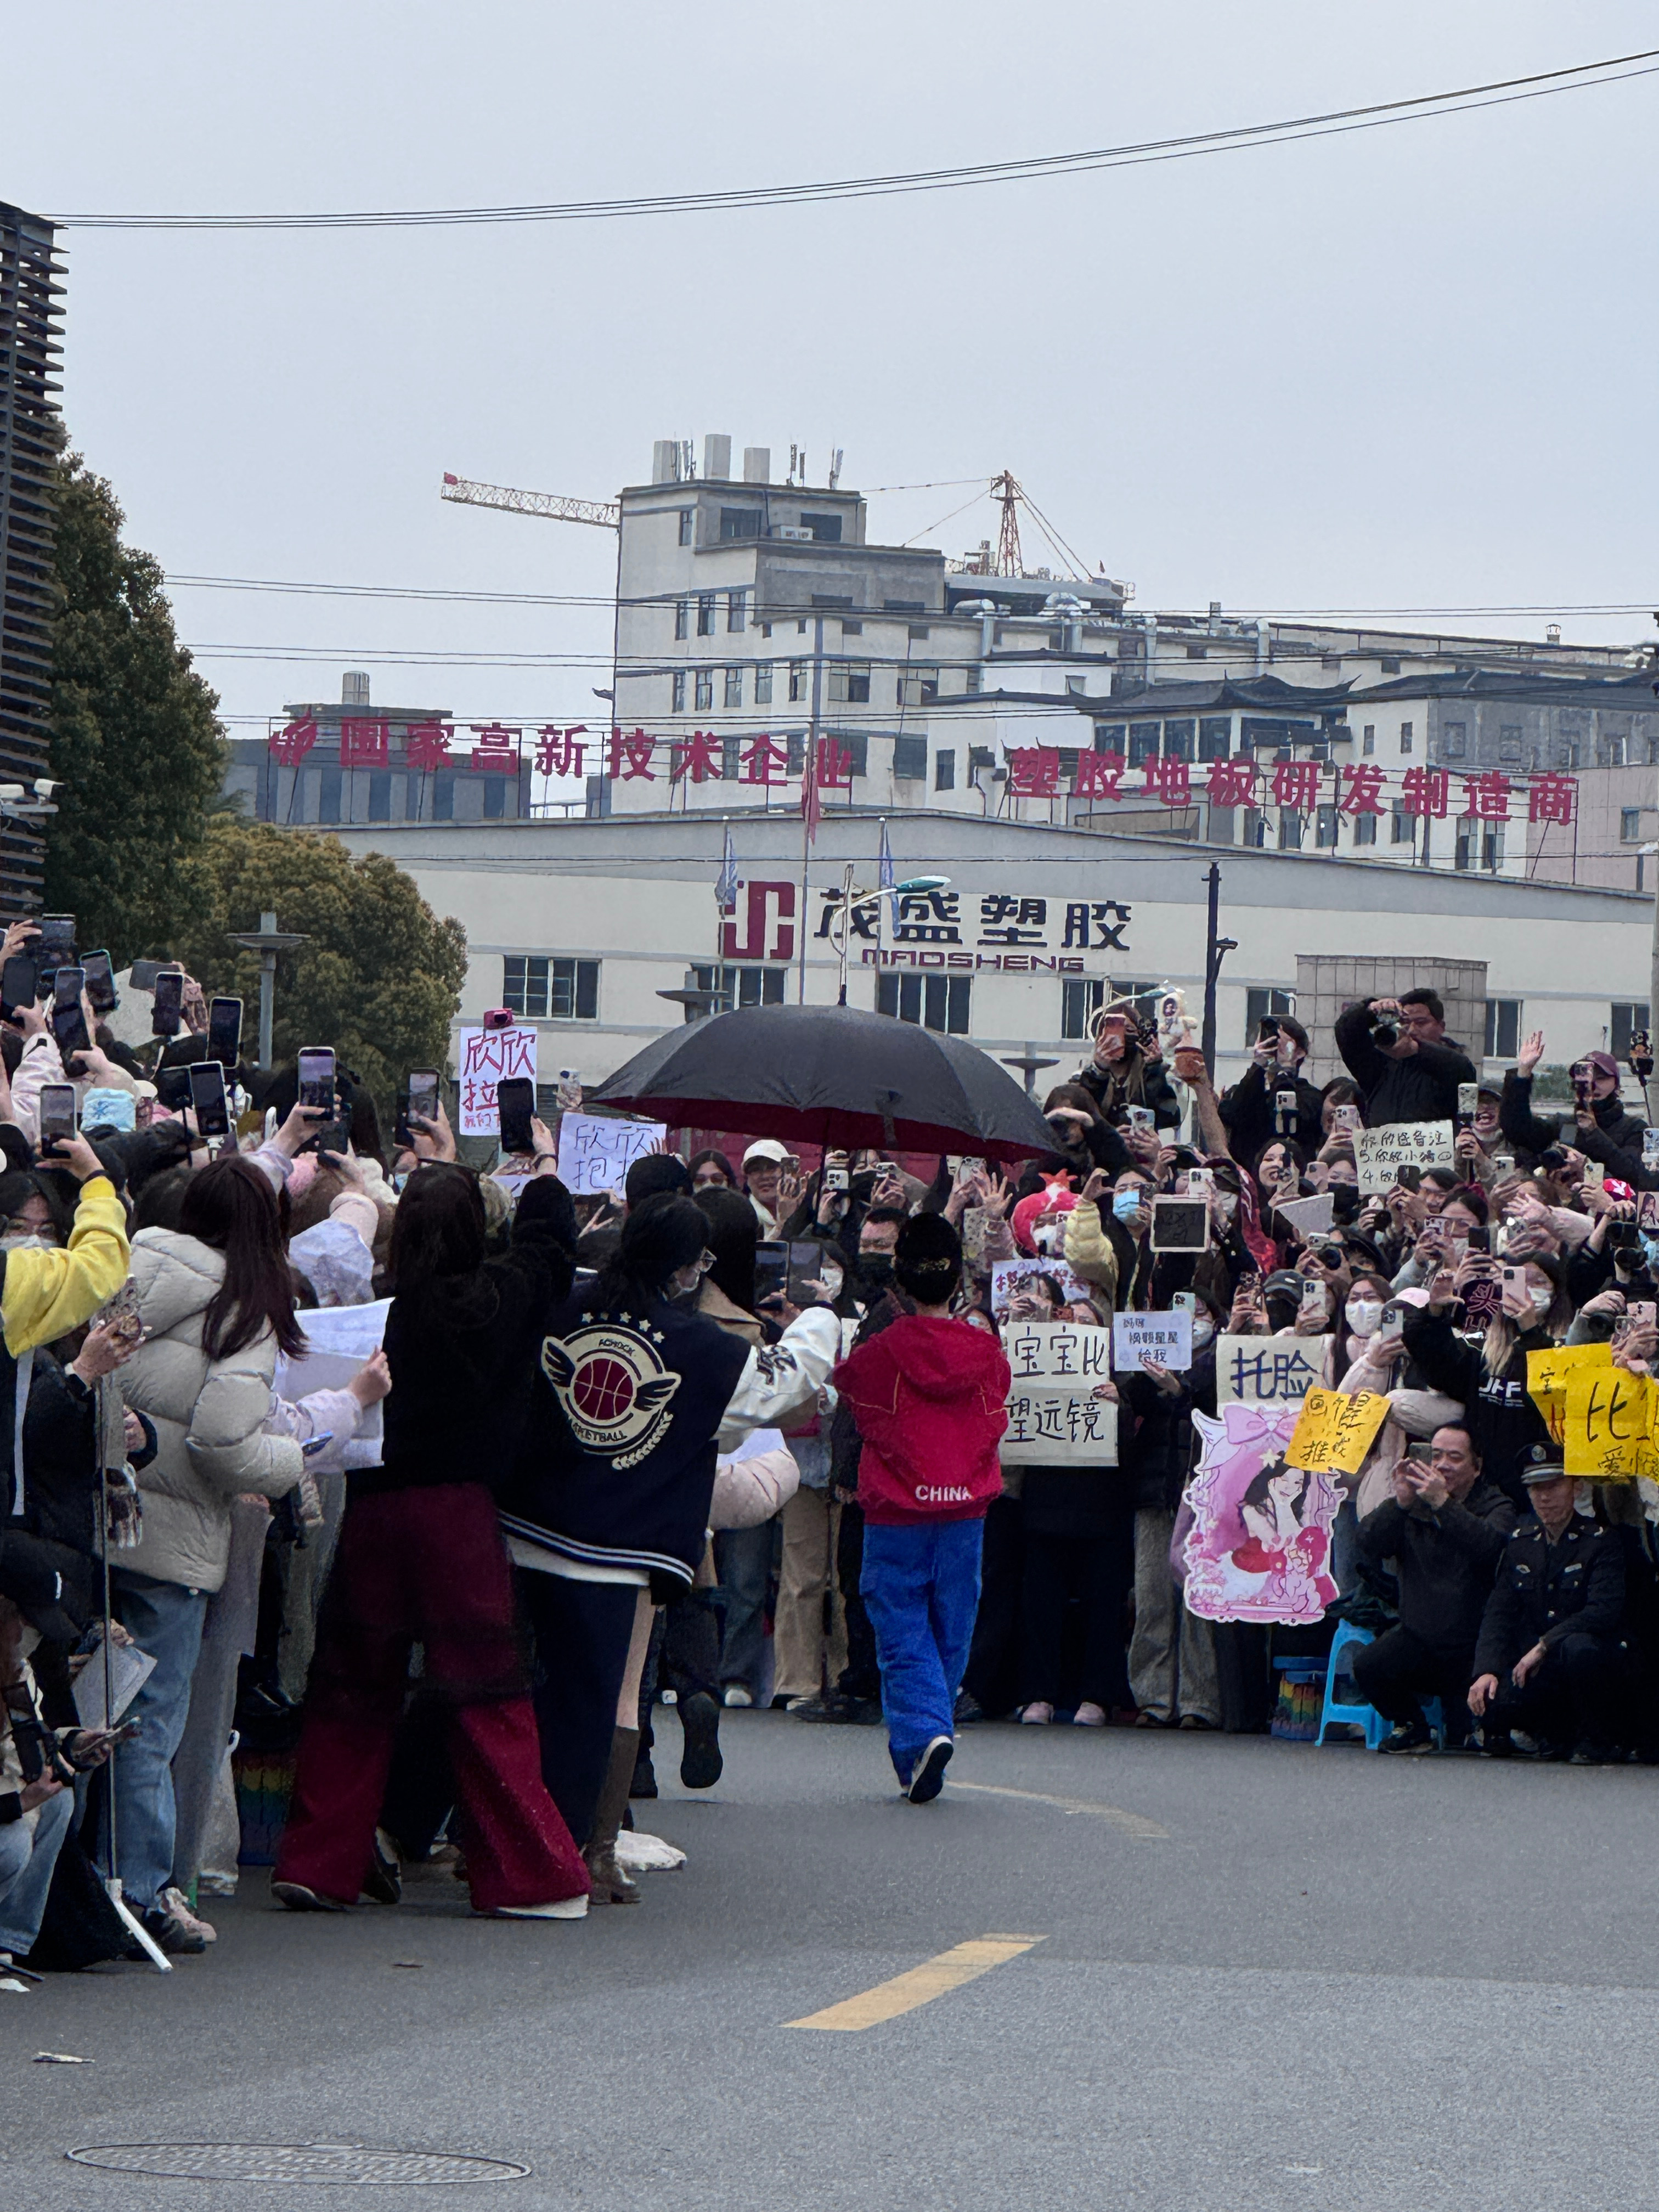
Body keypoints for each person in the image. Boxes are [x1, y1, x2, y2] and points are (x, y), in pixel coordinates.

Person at [274, 1160, 592, 1920]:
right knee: (486, 1693)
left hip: (376, 1509)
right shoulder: (504, 1296)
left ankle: (318, 1862)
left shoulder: (373, 1310)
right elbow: (551, 1246)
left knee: (351, 1688)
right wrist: (544, 1170)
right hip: (459, 1517)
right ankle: (529, 1875)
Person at [501, 1194, 838, 1898]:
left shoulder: (560, 1304)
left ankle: (496, 1838)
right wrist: (821, 1319)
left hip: (525, 1530)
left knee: (518, 1693)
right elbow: (780, 1386)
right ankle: (562, 1856)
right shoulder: (697, 1342)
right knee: (593, 1705)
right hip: (619, 1550)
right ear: (686, 1269)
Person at [109, 1155, 312, 1953]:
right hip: (174, 1546)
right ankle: (140, 1891)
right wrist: (291, 1461)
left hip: (95, 1524)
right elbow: (224, 1442)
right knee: (149, 1722)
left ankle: (79, 1888)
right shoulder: (245, 1310)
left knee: (85, 1707)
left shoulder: (128, 1270)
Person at [832, 1215, 1011, 1801]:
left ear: (901, 1278)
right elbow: (995, 1414)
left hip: (896, 1510)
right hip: (965, 1510)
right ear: (957, 1279)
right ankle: (928, 1733)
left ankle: (923, 1732)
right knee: (952, 1624)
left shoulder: (883, 1351)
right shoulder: (986, 1352)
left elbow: (852, 1395)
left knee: (900, 1624)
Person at [1352, 1425, 1517, 1752]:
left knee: (1492, 1730)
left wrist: (1443, 1503)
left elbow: (1490, 1548)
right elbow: (1368, 1543)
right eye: (1436, 1456)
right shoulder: (1413, 1503)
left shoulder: (1498, 1505)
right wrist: (1400, 1502)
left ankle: (1481, 1728)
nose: (1442, 1465)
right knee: (1369, 1665)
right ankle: (1412, 1726)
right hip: (1421, 1639)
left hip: (1477, 1648)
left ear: (1477, 1468)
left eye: (1455, 1458)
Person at [1470, 1446, 1630, 1762]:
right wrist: (1486, 1670)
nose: (1545, 1497)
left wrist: (1545, 1644)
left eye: (1554, 1486)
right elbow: (1499, 1614)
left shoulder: (1601, 1541)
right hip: (1539, 1666)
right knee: (1490, 1700)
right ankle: (1548, 1733)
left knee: (1579, 1649)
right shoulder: (1521, 1543)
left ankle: (1598, 1740)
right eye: (1536, 1489)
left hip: (1584, 1657)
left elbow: (1603, 1610)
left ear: (1576, 1488)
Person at [1502, 1036, 1646, 1180]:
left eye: (1601, 1078)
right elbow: (1517, 1130)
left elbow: (1636, 1175)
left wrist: (1593, 1133)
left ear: (1616, 1084)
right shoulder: (1564, 1124)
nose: (1592, 1085)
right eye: (1585, 1080)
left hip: (1611, 1194)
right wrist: (1523, 1073)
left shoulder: (1633, 1129)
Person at [1333, 994, 1477, 1127]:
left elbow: (1460, 1068)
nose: (1412, 1030)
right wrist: (1371, 1009)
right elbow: (1346, 1033)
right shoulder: (1381, 1068)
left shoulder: (1455, 1065)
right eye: (1404, 1022)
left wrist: (1416, 1050)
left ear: (1441, 1027)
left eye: (1421, 1023)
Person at [1220, 1014, 1324, 1158]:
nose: (1274, 1044)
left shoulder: (1310, 1096)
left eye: (1279, 1039)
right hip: (1249, 1167)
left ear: (1299, 1052)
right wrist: (1258, 1066)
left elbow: (1295, 1122)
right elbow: (1234, 1115)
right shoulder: (1248, 1089)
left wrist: (1285, 1071)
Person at [1074, 1007, 1178, 1130]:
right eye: (1113, 1030)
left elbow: (1169, 1118)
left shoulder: (1149, 1075)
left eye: (1128, 1030)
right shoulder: (1086, 1076)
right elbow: (1079, 1113)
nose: (1121, 1037)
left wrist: (1154, 1070)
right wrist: (1098, 1070)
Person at [740, 1138, 792, 1232]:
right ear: (747, 1178)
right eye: (755, 1170)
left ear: (788, 1171)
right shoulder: (741, 1218)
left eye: (771, 1168)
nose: (764, 1176)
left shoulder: (803, 1213)